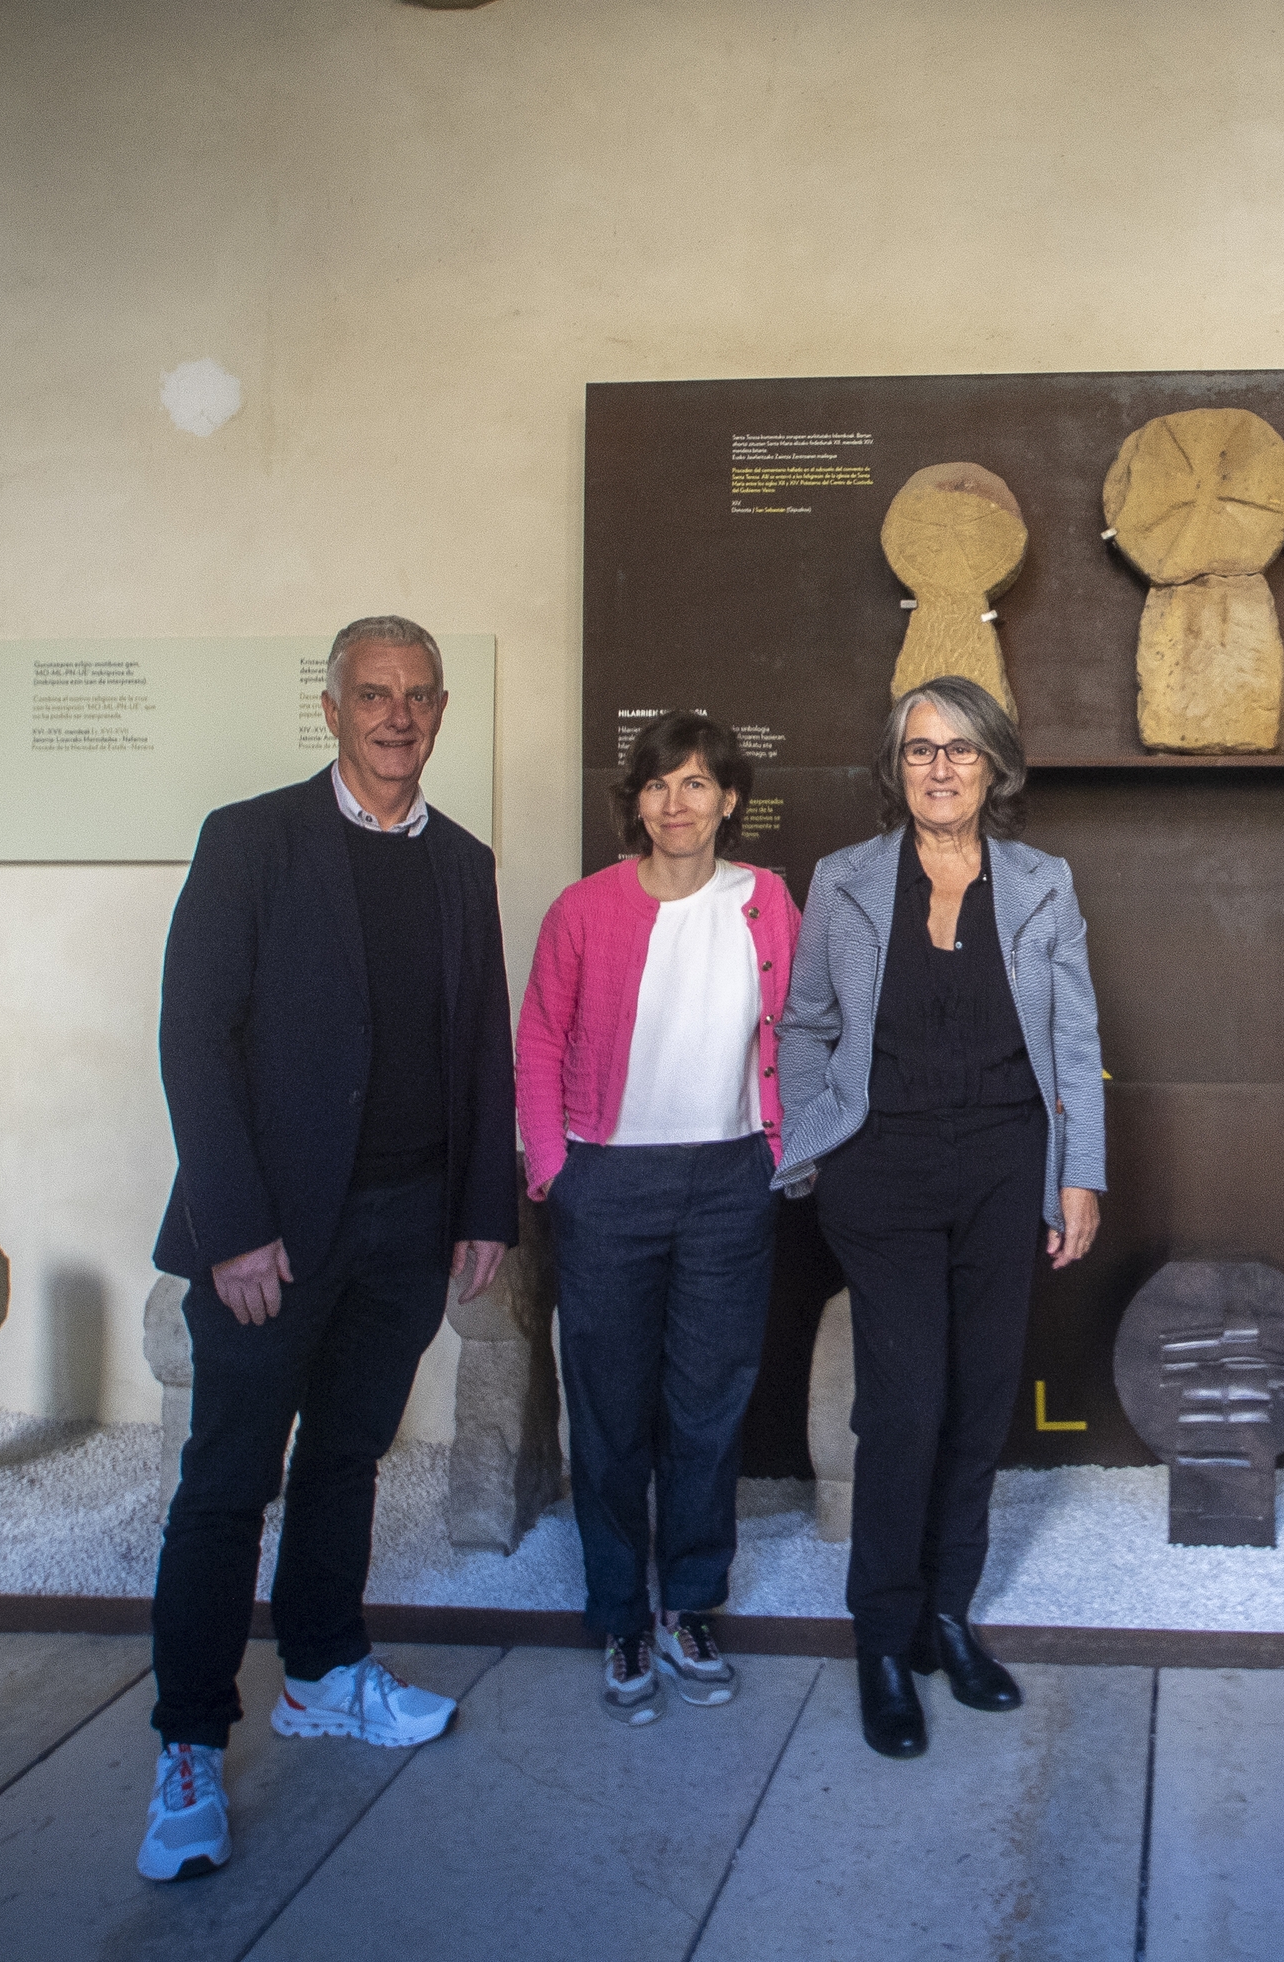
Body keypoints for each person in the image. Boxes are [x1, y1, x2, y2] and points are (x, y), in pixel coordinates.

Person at [138, 616, 516, 1882]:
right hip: (273, 1237)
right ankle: (188, 1741)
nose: (396, 715)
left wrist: (482, 1206)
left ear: (441, 710)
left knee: (349, 1455)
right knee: (227, 1480)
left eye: (416, 695)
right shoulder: (252, 840)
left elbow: (482, 1049)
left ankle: (321, 1670)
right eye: (373, 694)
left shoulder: (464, 863)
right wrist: (234, 1226)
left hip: (408, 1222)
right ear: (333, 707)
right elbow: (194, 1036)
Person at [773, 675, 1105, 1759]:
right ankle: (882, 1635)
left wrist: (1079, 1176)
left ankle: (949, 1617)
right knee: (906, 1403)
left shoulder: (1044, 880)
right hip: (885, 1170)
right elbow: (806, 1023)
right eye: (921, 749)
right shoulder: (845, 879)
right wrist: (815, 1138)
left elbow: (1073, 1047)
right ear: (897, 765)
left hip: (1008, 1163)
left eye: (961, 749)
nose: (941, 767)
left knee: (977, 1400)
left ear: (995, 765)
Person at [516, 712, 801, 1726]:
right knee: (608, 1404)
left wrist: (776, 1150)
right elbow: (540, 1035)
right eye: (658, 784)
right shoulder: (584, 907)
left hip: (730, 1180)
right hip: (609, 1180)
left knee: (708, 1402)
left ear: (730, 798)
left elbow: (800, 1026)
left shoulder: (766, 900)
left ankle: (686, 1602)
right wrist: (556, 1170)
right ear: (635, 800)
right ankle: (618, 1611)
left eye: (697, 784)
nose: (676, 803)